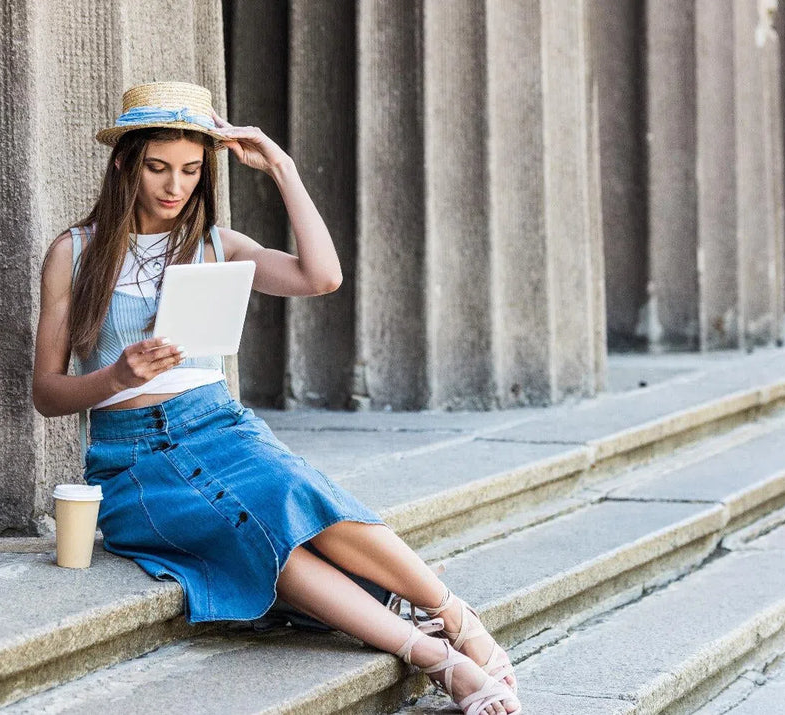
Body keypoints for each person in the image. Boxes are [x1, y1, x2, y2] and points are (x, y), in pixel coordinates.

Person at [31, 81, 521, 715]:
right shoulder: (74, 252)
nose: (173, 186)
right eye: (157, 167)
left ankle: (457, 624)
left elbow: (322, 276)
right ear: (126, 163)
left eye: (189, 170)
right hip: (132, 460)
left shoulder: (216, 245)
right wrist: (118, 377)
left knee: (292, 492)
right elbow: (47, 392)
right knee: (255, 532)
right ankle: (433, 659)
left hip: (218, 426)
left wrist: (282, 168)